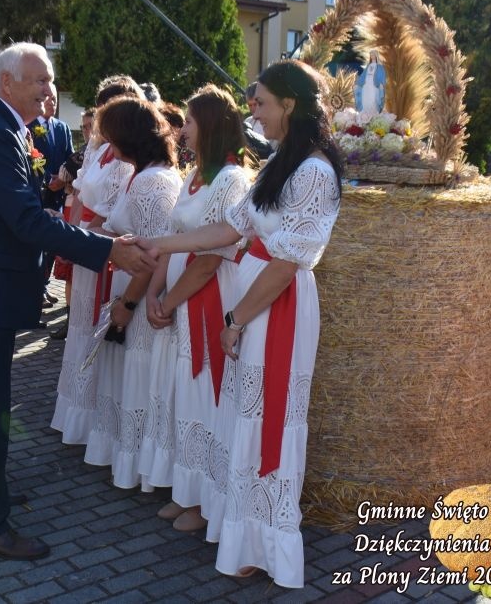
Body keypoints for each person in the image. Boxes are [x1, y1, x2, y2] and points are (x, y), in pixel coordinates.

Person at [0, 43, 156, 561]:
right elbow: (24, 220)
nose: (50, 90)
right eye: (40, 80)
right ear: (7, 83)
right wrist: (109, 250)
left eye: (50, 80)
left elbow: (17, 211)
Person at [146, 59, 344, 587]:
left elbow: (286, 263)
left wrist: (234, 319)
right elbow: (228, 229)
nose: (253, 113)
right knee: (245, 417)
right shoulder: (283, 162)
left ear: (290, 105)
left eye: (261, 103)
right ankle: (241, 532)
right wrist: (158, 243)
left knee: (267, 417)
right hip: (257, 303)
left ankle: (263, 542)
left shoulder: (314, 172)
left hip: (275, 308)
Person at [142, 84, 253, 533]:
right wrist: (155, 291)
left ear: (209, 124)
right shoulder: (193, 176)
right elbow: (174, 235)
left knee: (207, 397)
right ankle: (186, 490)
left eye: (188, 121)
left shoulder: (231, 180)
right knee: (185, 396)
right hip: (181, 301)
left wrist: (169, 300)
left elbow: (210, 259)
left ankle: (206, 501)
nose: (182, 130)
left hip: (207, 297)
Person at [82, 95, 182, 491]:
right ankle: (127, 455)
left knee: (138, 375)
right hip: (130, 285)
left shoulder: (151, 182)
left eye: (110, 136)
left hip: (140, 293)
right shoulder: (147, 174)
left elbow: (153, 255)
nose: (106, 146)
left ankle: (139, 463)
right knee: (126, 373)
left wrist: (127, 304)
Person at [51, 77, 142, 443]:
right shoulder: (98, 149)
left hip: (104, 246)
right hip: (86, 239)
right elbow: (80, 190)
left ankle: (94, 419)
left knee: (94, 329)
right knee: (80, 327)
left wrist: (87, 239)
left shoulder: (124, 159)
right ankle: (75, 411)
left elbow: (112, 210)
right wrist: (70, 237)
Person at [49, 107, 94, 341]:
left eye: (91, 126)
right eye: (84, 127)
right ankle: (70, 319)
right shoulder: (82, 152)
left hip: (87, 213)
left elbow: (64, 176)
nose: (87, 131)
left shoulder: (90, 154)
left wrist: (66, 181)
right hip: (72, 207)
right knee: (71, 272)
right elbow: (64, 174)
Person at [28, 83, 74, 309]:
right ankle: (35, 289)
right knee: (38, 242)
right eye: (48, 98)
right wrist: (48, 180)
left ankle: (43, 285)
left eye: (55, 99)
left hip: (59, 196)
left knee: (53, 243)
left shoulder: (62, 127)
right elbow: (31, 157)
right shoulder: (29, 126)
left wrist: (64, 179)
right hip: (39, 193)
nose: (52, 102)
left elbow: (70, 158)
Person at [354, 49, 386, 114]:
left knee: (373, 98)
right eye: (371, 55)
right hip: (366, 84)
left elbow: (381, 75)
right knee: (365, 97)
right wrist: (358, 83)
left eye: (373, 55)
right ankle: (365, 113)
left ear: (376, 56)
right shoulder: (368, 66)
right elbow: (363, 75)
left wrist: (381, 84)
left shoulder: (379, 67)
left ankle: (373, 113)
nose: (372, 56)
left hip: (374, 85)